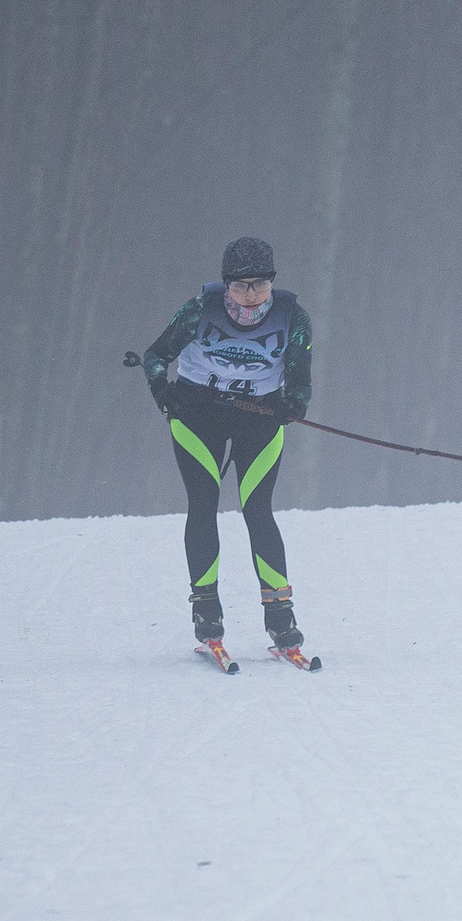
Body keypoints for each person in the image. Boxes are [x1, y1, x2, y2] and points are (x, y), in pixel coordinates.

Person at [141, 237, 314, 669]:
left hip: (258, 419)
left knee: (258, 509)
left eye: (259, 285)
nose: (250, 295)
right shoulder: (200, 310)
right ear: (225, 285)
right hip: (198, 416)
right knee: (203, 505)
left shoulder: (294, 317)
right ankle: (207, 617)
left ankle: (281, 622)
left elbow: (299, 379)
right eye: (240, 286)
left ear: (273, 283)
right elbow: (156, 356)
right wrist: (164, 393)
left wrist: (293, 403)